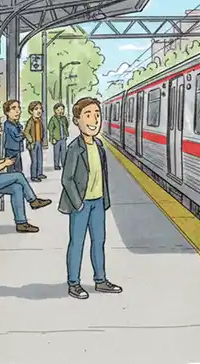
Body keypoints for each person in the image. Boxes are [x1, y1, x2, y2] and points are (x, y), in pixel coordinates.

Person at [61, 97, 123, 299]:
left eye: (97, 114)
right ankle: (74, 283)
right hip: (81, 203)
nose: (94, 119)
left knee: (99, 241)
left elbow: (102, 174)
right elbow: (67, 179)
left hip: (97, 202)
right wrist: (77, 203)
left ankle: (100, 280)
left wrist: (104, 199)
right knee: (77, 242)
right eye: (88, 115)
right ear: (77, 120)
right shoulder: (74, 148)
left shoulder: (99, 145)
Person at [0, 111, 52, 233]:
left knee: (17, 187)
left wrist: (3, 161)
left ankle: (21, 223)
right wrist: (4, 164)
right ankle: (33, 201)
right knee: (18, 175)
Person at [24, 101, 47, 182]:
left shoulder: (40, 121)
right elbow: (26, 132)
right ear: (31, 111)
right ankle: (34, 176)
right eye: (36, 109)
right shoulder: (30, 121)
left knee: (40, 159)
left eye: (40, 109)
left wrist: (43, 140)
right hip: (33, 144)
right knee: (34, 160)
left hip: (39, 142)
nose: (39, 111)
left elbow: (43, 131)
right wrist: (30, 140)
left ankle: (39, 173)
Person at [2, 100, 25, 174]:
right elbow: (17, 137)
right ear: (7, 112)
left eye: (19, 107)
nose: (18, 111)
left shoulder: (16, 123)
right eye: (13, 108)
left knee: (18, 166)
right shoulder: (8, 125)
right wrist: (23, 135)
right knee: (11, 167)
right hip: (11, 149)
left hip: (17, 148)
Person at [48, 102, 70, 171]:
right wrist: (52, 138)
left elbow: (67, 125)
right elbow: (50, 129)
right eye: (58, 110)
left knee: (64, 152)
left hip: (63, 138)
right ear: (55, 110)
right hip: (56, 139)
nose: (60, 111)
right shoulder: (53, 119)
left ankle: (64, 163)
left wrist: (66, 134)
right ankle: (56, 165)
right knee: (56, 152)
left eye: (62, 109)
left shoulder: (64, 118)